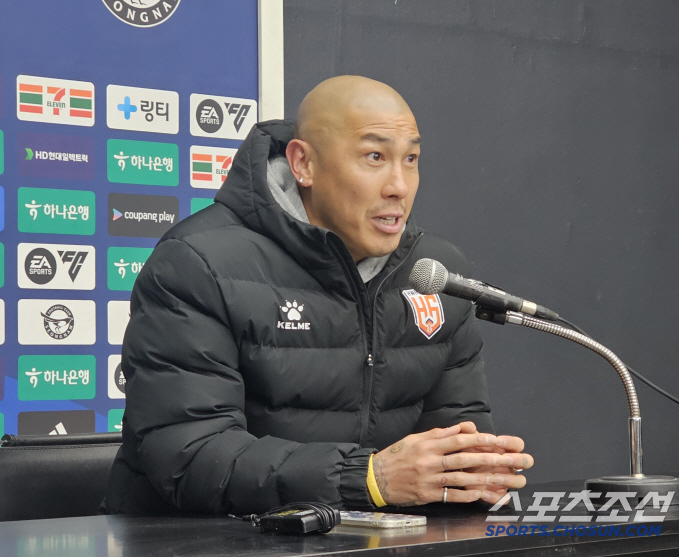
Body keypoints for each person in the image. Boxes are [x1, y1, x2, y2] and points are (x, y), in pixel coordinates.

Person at [105, 76, 533, 515]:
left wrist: (474, 473)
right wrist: (367, 477)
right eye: (374, 156)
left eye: (411, 159)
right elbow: (190, 457)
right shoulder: (199, 264)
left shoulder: (434, 274)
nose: (399, 186)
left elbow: (454, 445)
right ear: (303, 164)